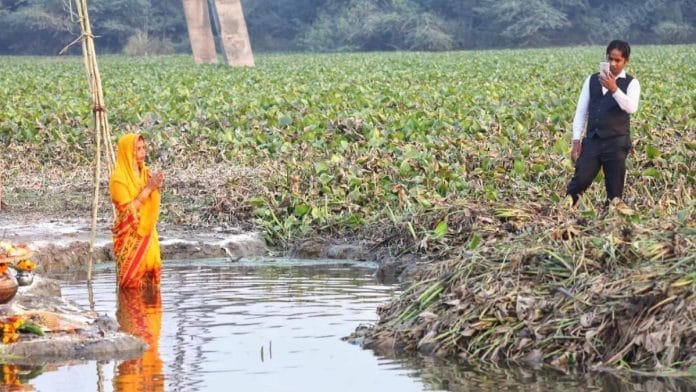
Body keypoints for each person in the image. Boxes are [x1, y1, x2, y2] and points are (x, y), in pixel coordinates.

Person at [566, 40, 641, 207]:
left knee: (614, 191)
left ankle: (611, 223)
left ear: (626, 61)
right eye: (610, 59)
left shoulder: (632, 83)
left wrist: (614, 89)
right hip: (593, 140)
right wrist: (576, 140)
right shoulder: (592, 80)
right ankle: (565, 211)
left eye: (617, 60)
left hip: (616, 143)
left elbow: (631, 108)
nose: (613, 64)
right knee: (580, 180)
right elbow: (581, 112)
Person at [110, 133, 164, 288]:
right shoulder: (118, 180)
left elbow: (151, 201)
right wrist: (149, 188)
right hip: (130, 237)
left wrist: (155, 187)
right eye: (138, 149)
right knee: (131, 286)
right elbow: (127, 211)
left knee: (151, 282)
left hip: (148, 233)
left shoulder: (146, 173)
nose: (143, 152)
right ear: (128, 152)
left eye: (144, 148)